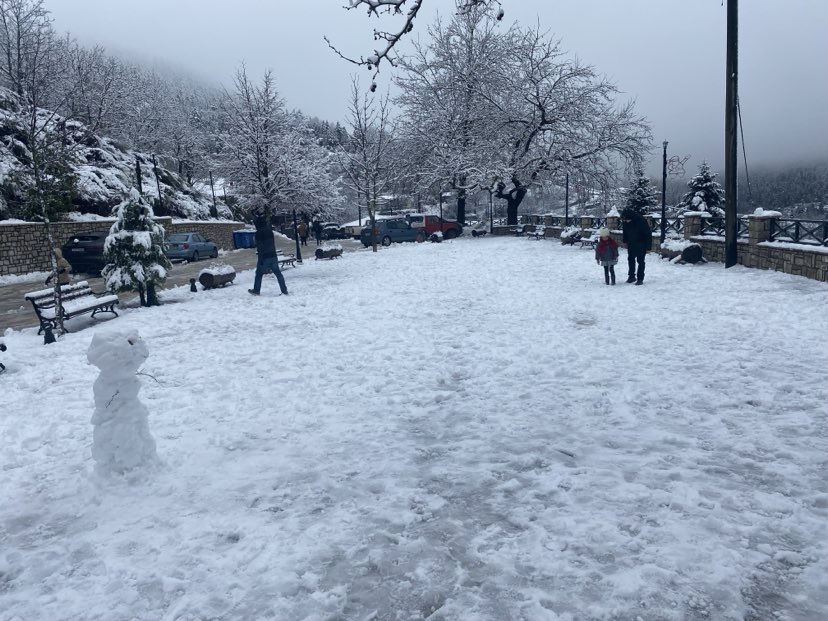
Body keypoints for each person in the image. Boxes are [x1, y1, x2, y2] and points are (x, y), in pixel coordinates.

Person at [248, 213, 289, 296]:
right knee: (278, 273)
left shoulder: (258, 233)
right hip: (273, 255)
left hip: (265, 257)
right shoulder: (270, 231)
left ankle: (256, 290)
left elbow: (260, 247)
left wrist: (260, 259)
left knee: (259, 274)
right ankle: (284, 290)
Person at [621, 208, 651, 285]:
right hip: (631, 243)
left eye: (626, 220)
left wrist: (648, 247)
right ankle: (631, 276)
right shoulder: (625, 221)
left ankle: (640, 278)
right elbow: (625, 231)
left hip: (641, 243)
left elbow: (648, 234)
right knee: (630, 259)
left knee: (640, 261)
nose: (625, 222)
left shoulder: (641, 220)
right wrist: (625, 241)